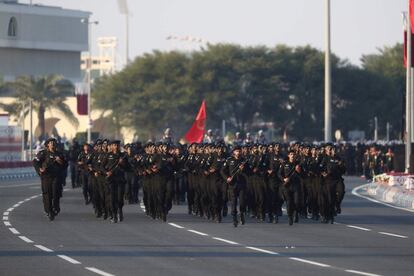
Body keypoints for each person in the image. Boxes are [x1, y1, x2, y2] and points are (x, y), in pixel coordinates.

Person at [33, 138, 68, 221]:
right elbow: (35, 162)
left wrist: (60, 161)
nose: (52, 144)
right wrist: (40, 169)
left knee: (56, 193)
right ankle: (49, 211)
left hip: (56, 176)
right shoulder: (43, 153)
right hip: (46, 177)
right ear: (47, 144)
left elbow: (65, 165)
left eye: (54, 142)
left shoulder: (59, 154)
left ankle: (56, 207)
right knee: (47, 194)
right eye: (50, 143)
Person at [220, 146, 248, 227]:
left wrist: (243, 169)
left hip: (242, 184)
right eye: (236, 151)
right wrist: (227, 178)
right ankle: (234, 218)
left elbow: (249, 172)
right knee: (233, 202)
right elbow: (222, 171)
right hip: (232, 184)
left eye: (239, 151)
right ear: (234, 152)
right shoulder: (229, 160)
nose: (238, 153)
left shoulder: (244, 161)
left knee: (242, 202)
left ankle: (242, 214)